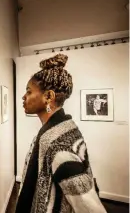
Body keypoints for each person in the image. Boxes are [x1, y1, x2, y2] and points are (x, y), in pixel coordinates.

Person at [16, 54, 107, 213]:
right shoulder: (62, 127)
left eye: (29, 92)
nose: (24, 97)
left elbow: (91, 208)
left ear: (48, 97)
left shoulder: (59, 146)